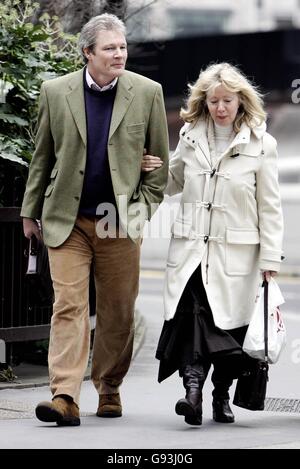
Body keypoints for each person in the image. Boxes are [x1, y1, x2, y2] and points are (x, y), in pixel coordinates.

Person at [21, 13, 169, 426]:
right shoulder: (55, 91)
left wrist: (140, 210)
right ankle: (64, 395)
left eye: (122, 47)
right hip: (67, 220)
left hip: (118, 222)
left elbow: (160, 165)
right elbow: (42, 157)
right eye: (109, 48)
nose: (119, 54)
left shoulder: (147, 92)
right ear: (88, 52)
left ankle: (108, 386)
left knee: (118, 311)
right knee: (68, 305)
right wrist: (30, 211)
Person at [142, 62, 283, 426]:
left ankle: (220, 395)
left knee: (229, 330)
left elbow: (270, 207)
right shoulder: (190, 136)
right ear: (203, 102)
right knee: (194, 322)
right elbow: (173, 182)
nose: (220, 108)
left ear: (241, 101)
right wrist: (151, 167)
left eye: (227, 101)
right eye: (213, 101)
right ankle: (192, 393)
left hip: (236, 256)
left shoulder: (262, 144)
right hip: (190, 252)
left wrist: (271, 258)